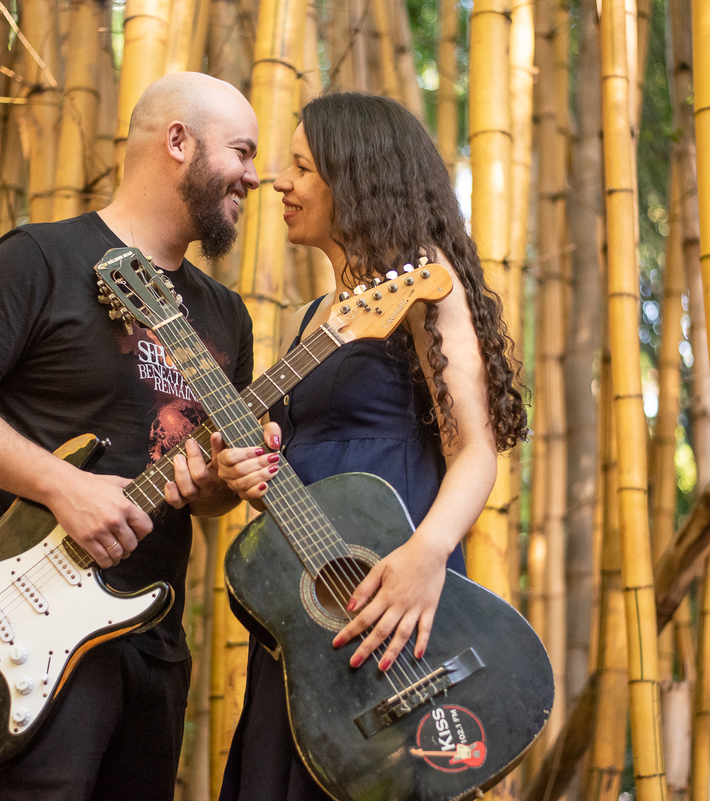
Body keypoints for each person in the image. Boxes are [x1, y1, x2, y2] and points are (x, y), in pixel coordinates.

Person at [0, 72, 262, 800]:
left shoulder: (227, 317)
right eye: (243, 152)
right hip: (25, 637)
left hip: (152, 642)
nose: (255, 177)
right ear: (178, 142)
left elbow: (208, 499)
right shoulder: (40, 258)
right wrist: (62, 484)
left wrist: (221, 480)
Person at [213, 92, 530, 800]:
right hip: (306, 618)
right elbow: (305, 465)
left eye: (301, 166)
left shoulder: (422, 283)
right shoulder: (313, 320)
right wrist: (250, 469)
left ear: (353, 176)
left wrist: (427, 555)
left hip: (397, 599)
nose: (279, 183)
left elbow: (476, 448)